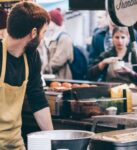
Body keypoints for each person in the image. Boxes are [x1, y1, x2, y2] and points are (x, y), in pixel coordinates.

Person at [0, 1, 53, 149]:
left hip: (15, 143)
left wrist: (53, 139)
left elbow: (37, 99)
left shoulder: (32, 57)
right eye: (44, 32)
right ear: (34, 33)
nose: (42, 38)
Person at [38, 8, 73, 79]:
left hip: (62, 78)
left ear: (54, 22)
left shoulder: (64, 38)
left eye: (49, 21)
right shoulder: (52, 37)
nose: (46, 24)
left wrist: (44, 70)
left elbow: (58, 61)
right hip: (53, 77)